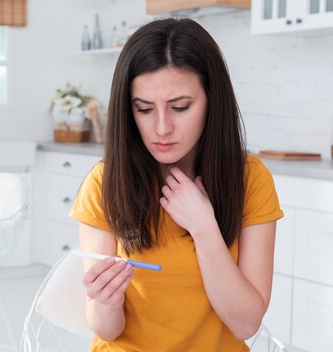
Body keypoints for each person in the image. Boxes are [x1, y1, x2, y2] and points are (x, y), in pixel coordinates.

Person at [69, 18, 283, 351]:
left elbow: (245, 323)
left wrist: (203, 227)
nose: (162, 128)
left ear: (212, 100)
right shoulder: (105, 183)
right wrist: (105, 301)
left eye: (180, 107)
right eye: (144, 109)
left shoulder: (251, 179)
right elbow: (106, 330)